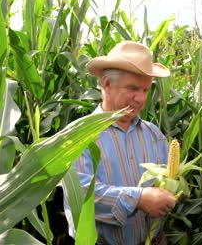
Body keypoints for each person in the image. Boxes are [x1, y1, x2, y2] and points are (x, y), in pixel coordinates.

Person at [63, 41, 175, 245]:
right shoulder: (79, 135)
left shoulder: (153, 134)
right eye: (133, 88)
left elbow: (170, 179)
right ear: (106, 84)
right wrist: (138, 199)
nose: (141, 99)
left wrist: (173, 194)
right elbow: (79, 193)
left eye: (145, 90)